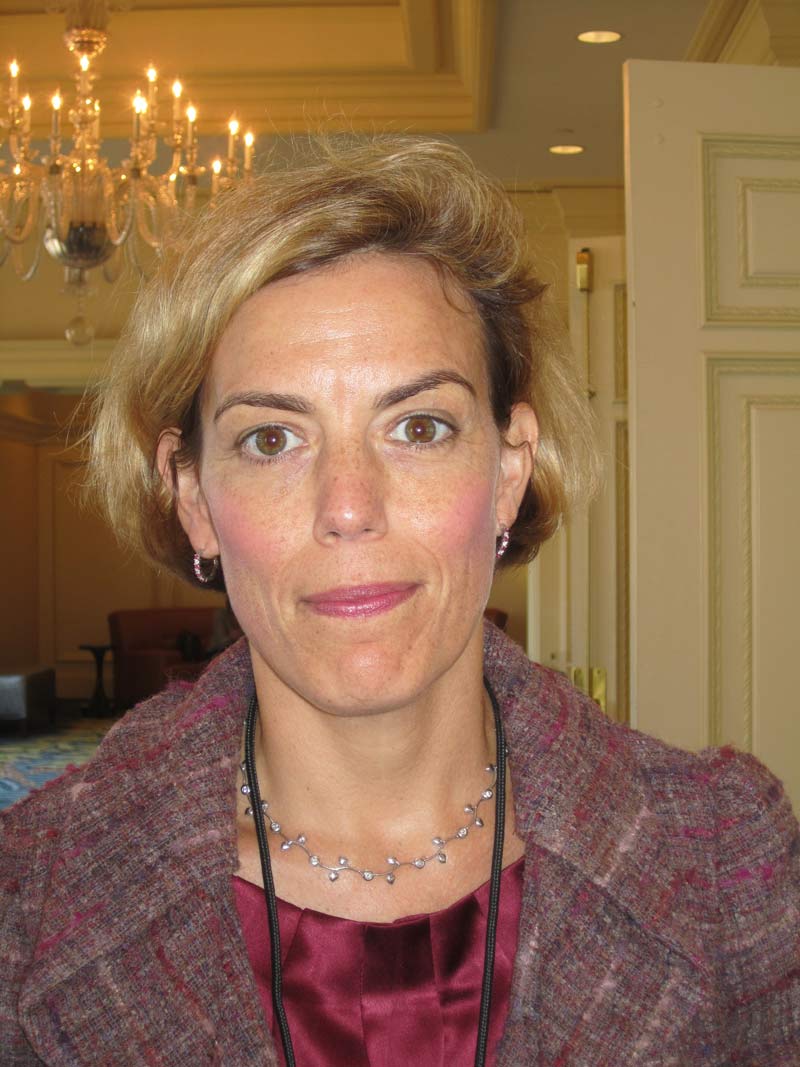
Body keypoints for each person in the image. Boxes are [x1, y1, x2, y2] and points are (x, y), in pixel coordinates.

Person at [2, 138, 798, 1067]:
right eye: (271, 440)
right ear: (193, 500)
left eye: (418, 427)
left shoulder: (729, 855)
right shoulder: (29, 891)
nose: (349, 507)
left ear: (509, 472)